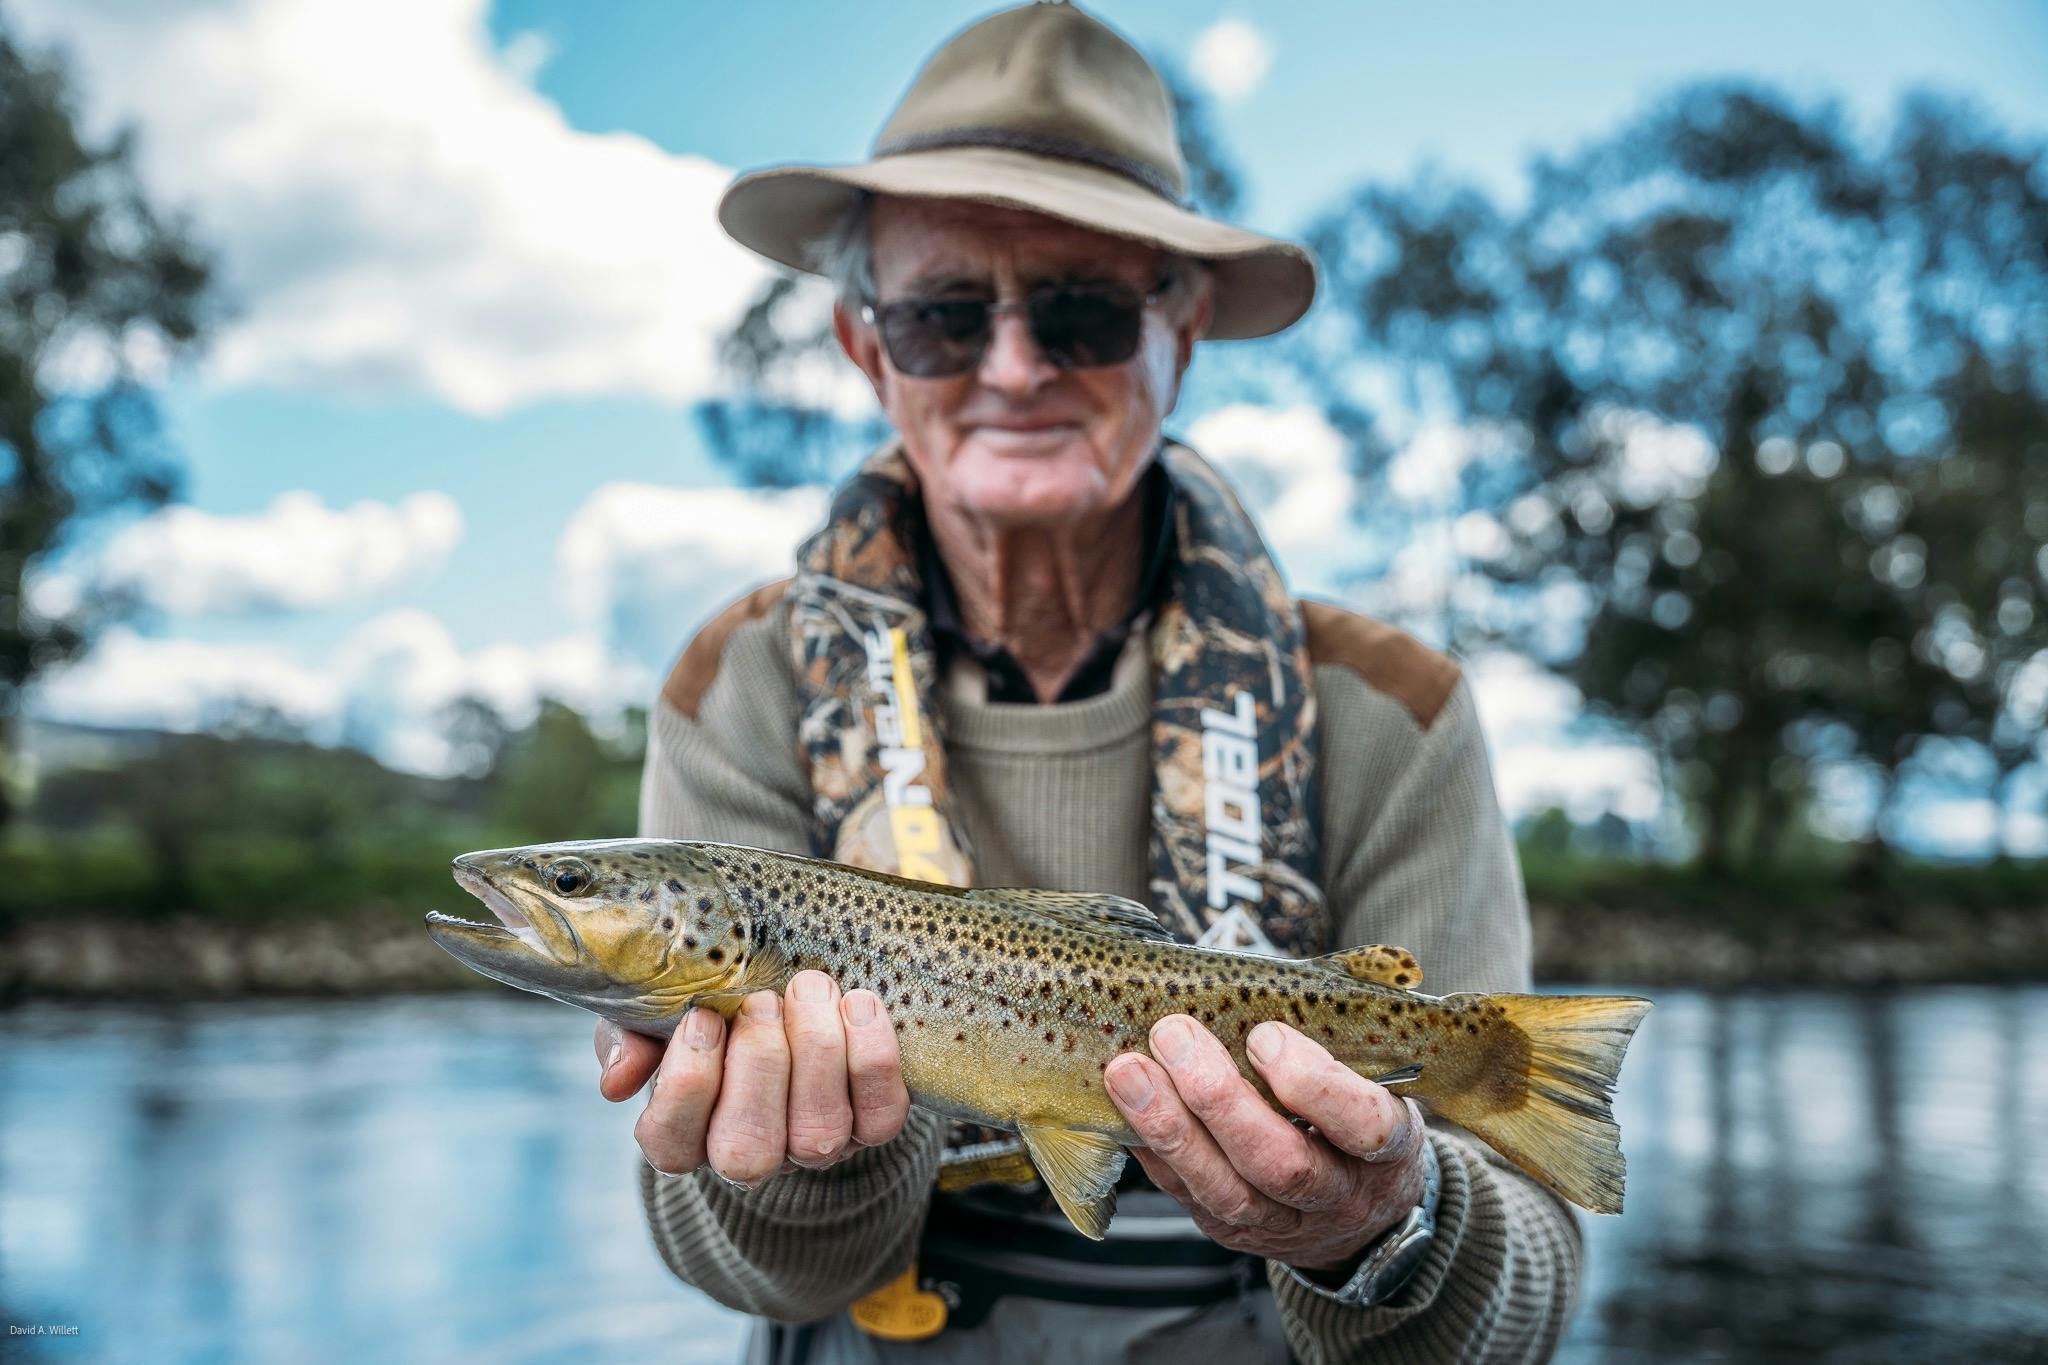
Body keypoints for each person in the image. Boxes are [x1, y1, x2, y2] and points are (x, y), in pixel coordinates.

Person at [593, 4, 1582, 1360]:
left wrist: (1386, 1221)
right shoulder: (740, 682)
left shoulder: (1390, 707)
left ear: (1183, 335)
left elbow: (1520, 1310)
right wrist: (805, 1154)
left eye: (1082, 312)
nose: (1013, 368)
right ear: (866, 348)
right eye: (945, 316)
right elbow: (746, 1270)